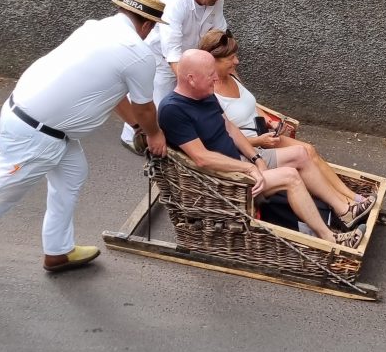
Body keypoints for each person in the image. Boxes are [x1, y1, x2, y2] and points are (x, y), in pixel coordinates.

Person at [0, 0, 170, 290]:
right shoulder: (137, 53)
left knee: (72, 174)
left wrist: (135, 125)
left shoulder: (95, 27)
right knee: (0, 192)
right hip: (37, 134)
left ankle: (58, 251)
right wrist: (154, 133)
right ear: (148, 25)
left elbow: (114, 90)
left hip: (41, 125)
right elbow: (145, 106)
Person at [157, 50, 374, 248]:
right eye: (210, 75)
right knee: (291, 177)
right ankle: (329, 239)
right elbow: (201, 158)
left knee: (301, 153)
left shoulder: (205, 93)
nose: (216, 78)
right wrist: (248, 169)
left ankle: (344, 211)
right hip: (223, 179)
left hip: (241, 161)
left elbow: (230, 128)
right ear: (191, 79)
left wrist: (255, 156)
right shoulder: (172, 110)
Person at [199, 27, 376, 219]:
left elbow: (250, 104)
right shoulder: (210, 93)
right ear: (212, 61)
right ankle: (344, 207)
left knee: (309, 149)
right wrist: (260, 142)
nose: (237, 61)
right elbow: (225, 137)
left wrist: (270, 122)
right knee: (302, 155)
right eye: (230, 58)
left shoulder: (231, 76)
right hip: (252, 146)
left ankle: (352, 198)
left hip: (264, 135)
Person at [120, 0, 235, 149]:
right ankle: (136, 140)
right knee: (160, 99)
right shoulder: (175, 3)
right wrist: (190, 84)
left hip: (189, 56)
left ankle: (168, 140)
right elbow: (171, 52)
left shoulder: (216, 0)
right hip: (160, 56)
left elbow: (219, 30)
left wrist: (228, 55)